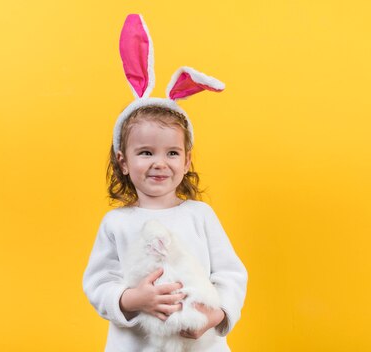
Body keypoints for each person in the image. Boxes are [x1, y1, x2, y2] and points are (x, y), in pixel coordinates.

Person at [82, 14, 247, 352]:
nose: (160, 162)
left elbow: (231, 274)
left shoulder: (200, 215)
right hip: (136, 345)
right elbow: (98, 282)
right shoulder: (117, 222)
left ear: (186, 162)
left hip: (199, 342)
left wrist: (214, 315)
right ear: (123, 162)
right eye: (145, 152)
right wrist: (132, 299)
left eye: (172, 153)